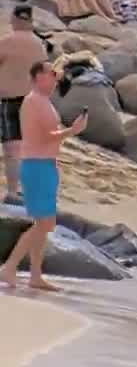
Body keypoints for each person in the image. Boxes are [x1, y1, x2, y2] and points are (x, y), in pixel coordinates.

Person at [0, 60, 86, 292]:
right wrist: (72, 131)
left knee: (43, 224)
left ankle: (35, 275)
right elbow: (44, 136)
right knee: (45, 224)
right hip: (36, 166)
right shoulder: (33, 101)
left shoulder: (43, 101)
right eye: (52, 73)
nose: (56, 76)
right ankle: (9, 267)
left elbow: (48, 135)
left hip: (45, 165)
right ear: (39, 77)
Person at [0, 0, 50, 203]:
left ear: (13, 20)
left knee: (12, 149)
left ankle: (13, 192)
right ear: (30, 21)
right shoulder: (40, 45)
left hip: (9, 101)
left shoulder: (6, 41)